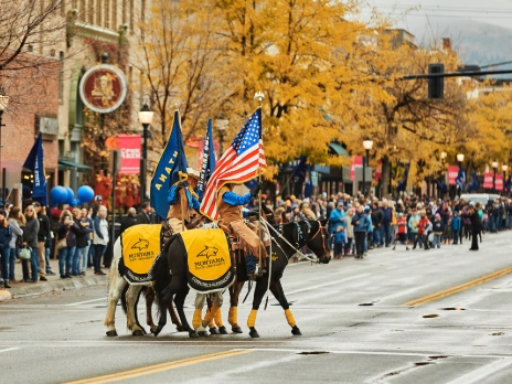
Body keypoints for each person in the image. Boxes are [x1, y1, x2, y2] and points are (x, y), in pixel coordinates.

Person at [216, 181, 264, 279]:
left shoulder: (228, 192)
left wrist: (250, 213)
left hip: (237, 221)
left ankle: (259, 260)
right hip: (230, 224)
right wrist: (252, 192)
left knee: (256, 228)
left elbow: (235, 211)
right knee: (251, 238)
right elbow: (241, 200)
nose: (234, 184)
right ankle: (251, 268)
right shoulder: (225, 193)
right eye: (233, 182)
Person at [56, 210, 79, 279]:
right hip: (63, 243)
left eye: (68, 217)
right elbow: (58, 231)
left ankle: (67, 273)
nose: (67, 218)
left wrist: (73, 225)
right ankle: (62, 273)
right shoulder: (60, 223)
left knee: (70, 258)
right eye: (65, 217)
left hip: (72, 242)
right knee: (62, 258)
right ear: (63, 217)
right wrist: (64, 225)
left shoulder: (73, 223)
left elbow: (78, 231)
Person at [22, 205, 40, 283]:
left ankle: (34, 277)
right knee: (24, 260)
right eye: (27, 210)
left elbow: (34, 233)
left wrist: (27, 241)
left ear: (33, 212)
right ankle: (26, 277)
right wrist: (23, 241)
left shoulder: (35, 221)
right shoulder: (24, 220)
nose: (29, 212)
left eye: (31, 210)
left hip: (32, 244)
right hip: (23, 243)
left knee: (33, 261)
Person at [33, 202, 51, 281]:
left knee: (42, 257)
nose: (34, 208)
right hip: (32, 240)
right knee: (31, 257)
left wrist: (48, 238)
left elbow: (48, 229)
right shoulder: (31, 217)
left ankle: (42, 274)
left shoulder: (44, 217)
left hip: (40, 240)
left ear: (39, 208)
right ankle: (32, 273)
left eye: (35, 207)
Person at [7, 207, 23, 287]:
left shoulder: (9, 220)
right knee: (11, 260)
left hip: (11, 243)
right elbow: (19, 231)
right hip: (11, 243)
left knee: (9, 260)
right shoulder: (12, 221)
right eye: (19, 213)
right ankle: (11, 277)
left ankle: (9, 276)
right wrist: (21, 230)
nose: (20, 214)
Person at [92, 205, 109, 275]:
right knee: (97, 255)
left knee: (100, 255)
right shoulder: (97, 219)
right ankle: (97, 270)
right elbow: (97, 229)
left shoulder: (104, 219)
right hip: (98, 240)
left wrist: (107, 237)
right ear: (99, 211)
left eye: (104, 211)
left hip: (104, 241)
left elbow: (106, 229)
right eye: (102, 211)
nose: (103, 212)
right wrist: (102, 237)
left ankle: (99, 268)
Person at [72, 208, 87, 276]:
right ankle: (75, 270)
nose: (81, 215)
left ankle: (77, 270)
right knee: (77, 256)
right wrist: (85, 230)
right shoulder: (75, 222)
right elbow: (79, 232)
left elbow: (83, 229)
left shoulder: (79, 221)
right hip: (78, 241)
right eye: (80, 213)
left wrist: (84, 230)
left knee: (78, 256)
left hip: (81, 241)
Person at [41, 206, 56, 276]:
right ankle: (46, 269)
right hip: (43, 237)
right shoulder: (41, 218)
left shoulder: (47, 218)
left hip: (47, 236)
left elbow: (49, 228)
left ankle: (47, 268)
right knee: (44, 255)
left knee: (47, 254)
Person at [0, 210, 12, 288]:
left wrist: (4, 244)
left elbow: (9, 236)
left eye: (1, 215)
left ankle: (6, 280)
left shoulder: (7, 226)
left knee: (5, 263)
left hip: (6, 247)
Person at [80, 208, 94, 274]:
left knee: (85, 254)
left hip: (87, 239)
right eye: (82, 211)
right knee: (79, 254)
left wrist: (86, 229)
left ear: (87, 212)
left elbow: (92, 229)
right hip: (79, 239)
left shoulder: (89, 220)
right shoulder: (79, 219)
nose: (83, 212)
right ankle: (77, 268)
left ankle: (83, 269)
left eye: (84, 211)